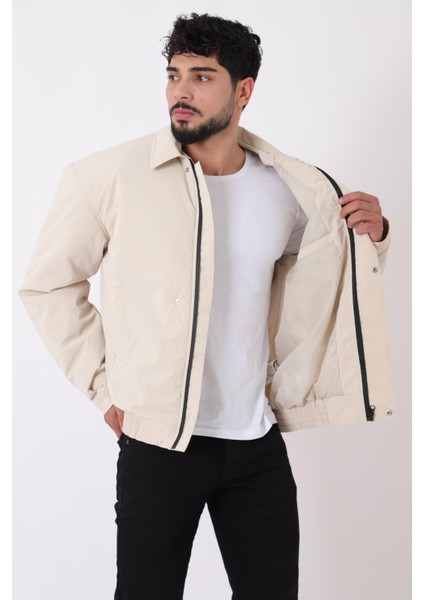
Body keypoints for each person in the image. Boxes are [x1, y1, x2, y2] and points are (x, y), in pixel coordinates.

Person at [19, 13, 395, 600]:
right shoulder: (108, 178)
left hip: (256, 440)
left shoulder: (287, 189)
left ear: (244, 91)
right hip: (159, 443)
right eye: (174, 75)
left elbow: (332, 274)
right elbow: (48, 286)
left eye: (201, 76)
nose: (181, 91)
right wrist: (104, 388)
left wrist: (373, 234)